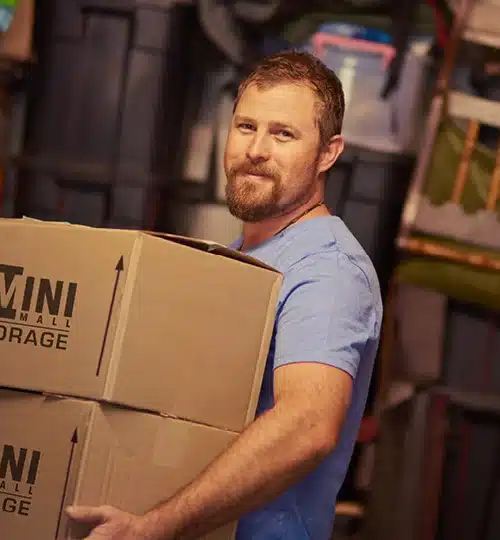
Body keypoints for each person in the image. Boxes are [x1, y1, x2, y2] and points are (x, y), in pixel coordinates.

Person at [66, 50, 382, 540]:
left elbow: (309, 426)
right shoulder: (239, 259)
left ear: (328, 153)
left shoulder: (327, 271)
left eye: (283, 134)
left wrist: (156, 528)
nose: (256, 149)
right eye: (246, 126)